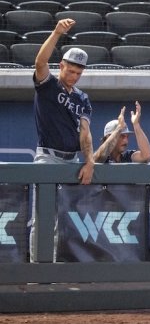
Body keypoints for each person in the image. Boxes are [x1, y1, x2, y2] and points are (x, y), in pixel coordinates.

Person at [31, 18, 94, 260]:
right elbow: (39, 61)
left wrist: (89, 161)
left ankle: (56, 267)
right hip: (48, 158)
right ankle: (39, 269)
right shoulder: (48, 85)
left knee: (64, 219)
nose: (74, 76)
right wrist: (57, 33)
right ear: (61, 66)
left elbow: (85, 132)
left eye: (78, 72)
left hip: (72, 162)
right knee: (43, 218)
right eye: (70, 70)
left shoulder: (82, 98)